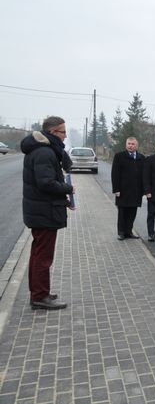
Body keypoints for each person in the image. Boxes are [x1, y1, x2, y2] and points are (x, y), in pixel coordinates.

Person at [21, 116, 74, 310]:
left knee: (38, 254)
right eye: (62, 131)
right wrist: (67, 189)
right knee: (43, 256)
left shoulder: (43, 149)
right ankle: (40, 296)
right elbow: (46, 183)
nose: (65, 135)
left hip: (43, 209)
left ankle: (39, 292)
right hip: (44, 212)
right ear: (52, 132)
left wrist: (63, 200)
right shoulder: (44, 152)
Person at [111, 137, 145, 240]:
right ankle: (121, 232)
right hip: (123, 190)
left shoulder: (141, 158)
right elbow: (115, 174)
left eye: (133, 144)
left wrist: (143, 190)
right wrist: (116, 189)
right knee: (122, 212)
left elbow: (144, 175)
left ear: (137, 145)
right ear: (126, 145)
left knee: (132, 212)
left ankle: (129, 231)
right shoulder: (119, 156)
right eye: (129, 144)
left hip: (136, 191)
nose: (130, 146)